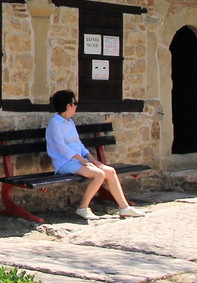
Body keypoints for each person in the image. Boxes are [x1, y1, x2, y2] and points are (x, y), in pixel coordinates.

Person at [46, 89, 145, 220]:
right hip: (64, 163)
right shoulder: (55, 123)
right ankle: (83, 208)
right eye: (74, 103)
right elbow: (61, 147)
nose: (76, 106)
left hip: (77, 161)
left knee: (110, 171)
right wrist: (81, 159)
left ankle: (124, 207)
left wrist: (91, 159)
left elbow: (78, 144)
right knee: (99, 174)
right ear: (67, 106)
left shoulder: (70, 122)